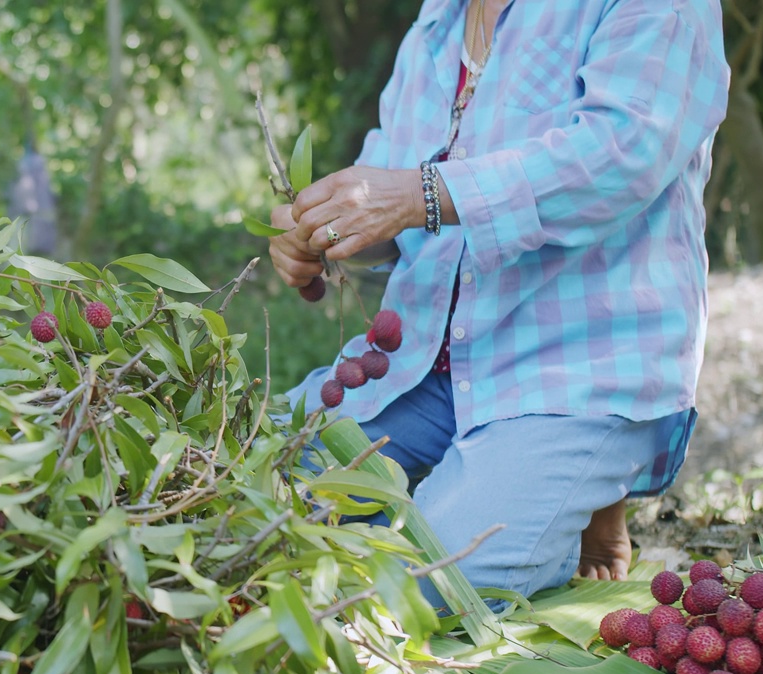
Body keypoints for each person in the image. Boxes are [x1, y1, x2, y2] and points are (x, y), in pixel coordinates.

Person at [268, 0, 730, 611]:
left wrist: (421, 194)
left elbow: (623, 151)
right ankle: (558, 497)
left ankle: (560, 504)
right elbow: (393, 193)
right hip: (428, 369)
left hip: (572, 374)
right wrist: (324, 225)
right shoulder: (438, 24)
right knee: (243, 481)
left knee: (423, 584)